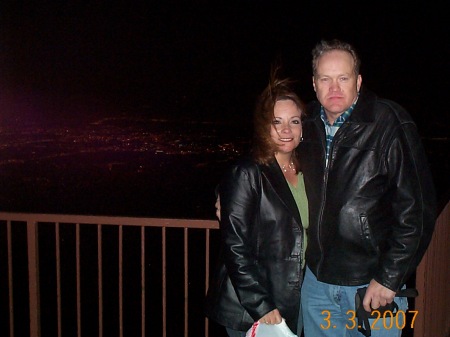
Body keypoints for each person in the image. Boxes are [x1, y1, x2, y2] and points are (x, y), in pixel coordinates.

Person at [298, 39, 437, 336]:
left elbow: (418, 210)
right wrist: (230, 192)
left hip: (373, 287)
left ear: (358, 81)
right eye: (325, 78)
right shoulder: (306, 123)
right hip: (317, 285)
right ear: (314, 83)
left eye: (343, 78)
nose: (334, 88)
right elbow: (272, 161)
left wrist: (389, 278)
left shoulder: (389, 123)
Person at [205, 67, 309, 337]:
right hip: (252, 306)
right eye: (277, 121)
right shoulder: (248, 172)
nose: (286, 130)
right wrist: (261, 305)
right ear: (265, 126)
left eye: (294, 121)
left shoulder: (308, 171)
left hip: (294, 295)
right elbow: (235, 246)